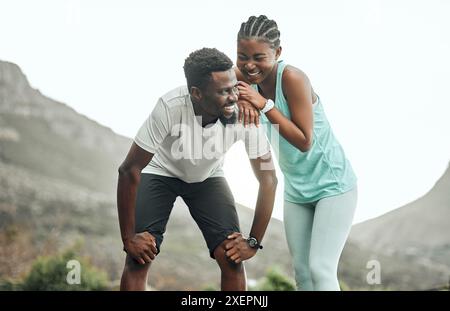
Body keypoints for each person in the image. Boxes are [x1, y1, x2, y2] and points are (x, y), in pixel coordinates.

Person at [117, 47, 277, 291]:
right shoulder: (170, 106)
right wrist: (128, 238)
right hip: (161, 172)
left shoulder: (246, 116)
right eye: (224, 91)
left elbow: (269, 179)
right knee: (139, 257)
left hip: (208, 177)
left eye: (234, 87)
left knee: (232, 257)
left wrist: (253, 242)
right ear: (197, 93)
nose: (234, 97)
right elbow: (129, 169)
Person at [232, 15, 358, 291]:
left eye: (259, 57)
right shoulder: (241, 77)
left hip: (333, 185)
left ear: (278, 52)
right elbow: (220, 81)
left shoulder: (292, 77)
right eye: (242, 56)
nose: (249, 65)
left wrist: (263, 105)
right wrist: (242, 98)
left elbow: (304, 141)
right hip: (297, 190)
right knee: (302, 272)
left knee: (320, 269)